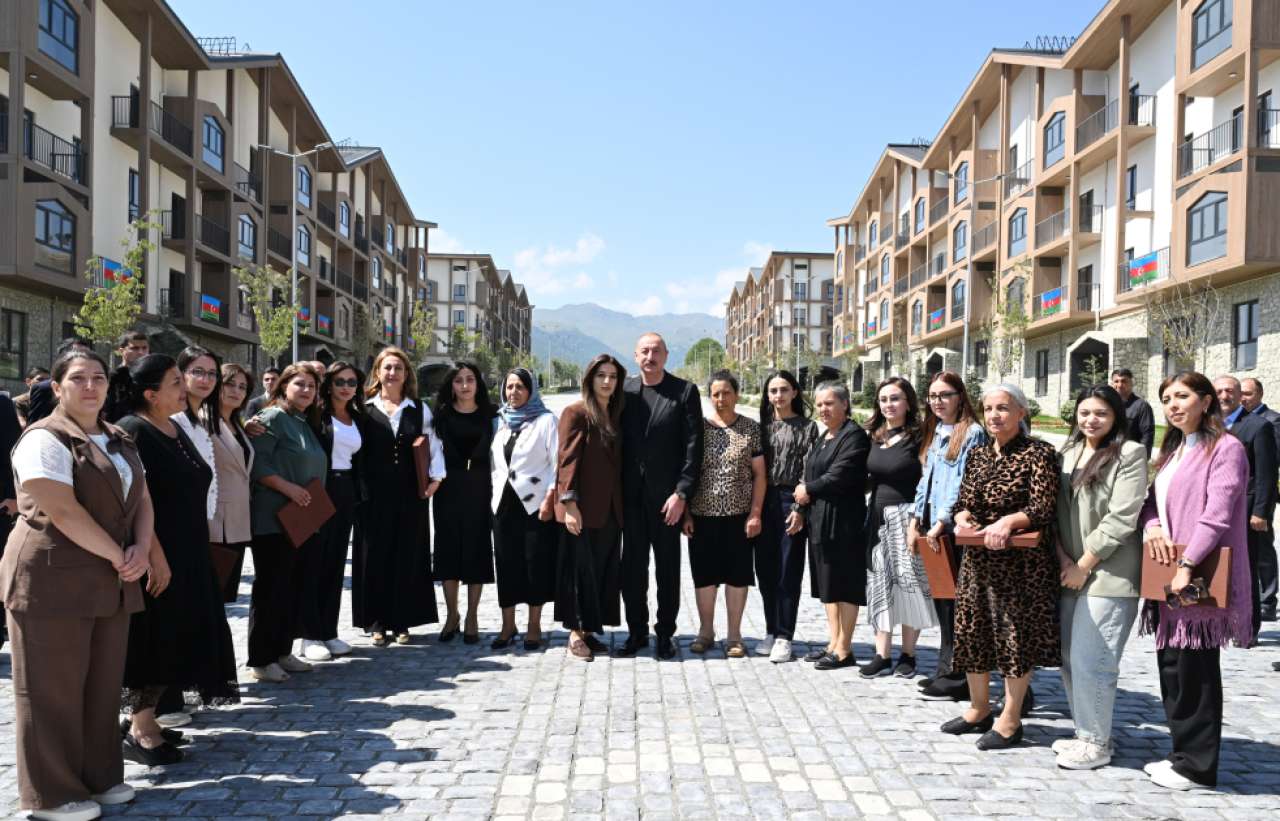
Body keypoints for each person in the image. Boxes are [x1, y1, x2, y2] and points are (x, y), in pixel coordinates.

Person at [1, 349, 149, 820]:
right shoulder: (43, 438)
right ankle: (53, 794)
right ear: (57, 387)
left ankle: (100, 776)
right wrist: (120, 555)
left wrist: (142, 548)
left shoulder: (117, 436)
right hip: (52, 578)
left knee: (102, 686)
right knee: (51, 690)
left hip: (110, 575)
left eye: (98, 378)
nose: (90, 386)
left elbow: (143, 498)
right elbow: (62, 510)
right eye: (78, 378)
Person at [116, 354, 239, 763]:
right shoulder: (134, 430)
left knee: (178, 636)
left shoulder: (174, 426)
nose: (183, 388)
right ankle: (140, 728)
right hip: (160, 554)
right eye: (174, 382)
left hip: (189, 552)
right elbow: (135, 501)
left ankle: (150, 718)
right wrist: (155, 555)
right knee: (153, 639)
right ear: (151, 394)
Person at [1140, 370, 1252, 790]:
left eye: (1182, 396)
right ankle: (1181, 754)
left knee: (1196, 670)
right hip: (1167, 571)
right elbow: (1152, 503)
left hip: (1197, 574)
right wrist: (1152, 527)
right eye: (1167, 398)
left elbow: (1217, 514)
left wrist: (1187, 564)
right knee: (1172, 666)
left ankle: (1198, 767)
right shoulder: (1174, 450)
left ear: (1206, 402)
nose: (1173, 405)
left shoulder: (1226, 448)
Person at [945, 382, 1060, 751]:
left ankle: (1010, 719)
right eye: (989, 408)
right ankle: (978, 709)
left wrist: (1008, 522)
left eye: (1003, 408)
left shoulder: (1039, 453)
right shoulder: (978, 454)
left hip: (1018, 562)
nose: (994, 415)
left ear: (1021, 412)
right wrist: (962, 516)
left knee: (1014, 637)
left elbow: (1042, 507)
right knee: (971, 630)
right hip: (978, 559)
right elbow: (963, 501)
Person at [1052, 385, 1148, 770]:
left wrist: (1084, 564)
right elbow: (1053, 513)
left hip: (1110, 571)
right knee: (1068, 657)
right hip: (1070, 569)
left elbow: (1122, 517)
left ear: (1116, 418)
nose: (1091, 420)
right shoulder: (1067, 452)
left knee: (1094, 659)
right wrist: (1065, 560)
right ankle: (1085, 731)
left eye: (1101, 413)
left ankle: (1096, 743)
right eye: (1085, 412)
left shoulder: (1130, 453)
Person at [618, 333, 703, 659]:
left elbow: (693, 448)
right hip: (630, 498)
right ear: (635, 355)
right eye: (644, 351)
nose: (650, 356)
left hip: (668, 501)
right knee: (632, 571)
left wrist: (682, 493)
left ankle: (665, 633)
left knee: (667, 571)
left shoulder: (684, 391)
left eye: (656, 351)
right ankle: (636, 632)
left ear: (666, 355)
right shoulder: (624, 391)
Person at [354, 347, 444, 646]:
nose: (392, 373)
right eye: (387, 367)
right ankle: (377, 622)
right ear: (378, 372)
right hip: (372, 495)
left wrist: (436, 479)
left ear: (407, 375)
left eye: (398, 368)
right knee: (375, 555)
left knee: (408, 555)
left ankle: (402, 620)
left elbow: (433, 445)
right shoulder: (363, 409)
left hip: (410, 493)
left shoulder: (419, 409)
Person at [245, 363, 328, 682]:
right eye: (299, 384)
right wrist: (288, 488)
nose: (306, 390)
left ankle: (282, 651)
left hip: (301, 520)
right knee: (272, 588)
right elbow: (257, 463)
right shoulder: (272, 417)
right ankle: (262, 659)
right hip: (274, 519)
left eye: (312, 386)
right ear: (283, 387)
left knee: (292, 588)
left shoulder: (302, 420)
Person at [908, 371, 986, 702]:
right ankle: (946, 669)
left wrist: (941, 522)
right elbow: (926, 480)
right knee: (943, 600)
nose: (937, 402)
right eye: (932, 396)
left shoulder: (972, 433)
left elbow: (963, 484)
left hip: (953, 530)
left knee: (958, 605)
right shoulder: (937, 430)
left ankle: (958, 676)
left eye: (945, 395)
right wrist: (916, 519)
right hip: (932, 527)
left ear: (960, 397)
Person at [786, 381, 869, 670]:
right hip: (820, 520)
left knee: (845, 585)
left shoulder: (854, 436)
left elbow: (840, 474)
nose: (823, 409)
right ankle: (833, 642)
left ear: (845, 404)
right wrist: (801, 507)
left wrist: (808, 489)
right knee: (828, 584)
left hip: (844, 522)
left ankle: (844, 649)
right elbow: (810, 471)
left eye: (829, 403)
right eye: (820, 404)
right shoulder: (826, 436)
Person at [680, 371, 764, 658]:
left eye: (726, 392)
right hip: (701, 516)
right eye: (715, 394)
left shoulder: (751, 429)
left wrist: (755, 513)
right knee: (704, 577)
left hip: (739, 517)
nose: (721, 399)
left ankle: (734, 636)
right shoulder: (698, 430)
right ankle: (705, 632)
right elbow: (687, 473)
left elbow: (760, 475)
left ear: (736, 395)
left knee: (737, 576)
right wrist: (686, 513)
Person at [861, 377, 936, 678]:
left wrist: (918, 521)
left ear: (908, 402)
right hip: (877, 517)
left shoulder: (921, 436)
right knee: (879, 583)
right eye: (883, 399)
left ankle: (908, 655)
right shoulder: (875, 435)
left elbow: (928, 480)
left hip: (907, 518)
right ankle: (881, 654)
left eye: (895, 398)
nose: (888, 404)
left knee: (909, 585)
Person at [555, 354, 627, 661]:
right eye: (601, 375)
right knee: (579, 571)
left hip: (611, 509)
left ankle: (588, 630)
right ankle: (574, 633)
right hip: (582, 508)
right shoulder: (576, 413)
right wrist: (570, 504)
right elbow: (567, 460)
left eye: (613, 376)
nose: (607, 381)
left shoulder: (616, 414)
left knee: (602, 571)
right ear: (590, 379)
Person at [298, 362, 365, 662]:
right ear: (329, 384)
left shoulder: (357, 417)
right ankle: (309, 635)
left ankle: (328, 630)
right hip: (319, 489)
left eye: (352, 382)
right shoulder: (315, 414)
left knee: (336, 563)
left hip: (346, 490)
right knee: (315, 561)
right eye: (340, 381)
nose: (346, 387)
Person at [489, 368, 559, 650]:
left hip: (534, 505)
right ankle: (507, 625)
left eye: (520, 387)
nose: (513, 392)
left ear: (531, 390)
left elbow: (557, 464)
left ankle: (533, 626)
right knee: (505, 564)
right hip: (502, 505)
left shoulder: (546, 421)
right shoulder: (500, 421)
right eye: (509, 387)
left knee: (534, 565)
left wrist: (550, 499)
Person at [755, 370, 819, 663]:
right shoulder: (762, 427)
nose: (778, 395)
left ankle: (784, 635)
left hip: (790, 499)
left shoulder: (808, 427)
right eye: (773, 391)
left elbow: (809, 470)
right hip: (762, 499)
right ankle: (770, 629)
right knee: (765, 569)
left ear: (794, 392)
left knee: (788, 569)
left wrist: (800, 509)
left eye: (783, 389)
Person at [432, 361, 497, 644]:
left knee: (476, 550)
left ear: (478, 383)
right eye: (458, 380)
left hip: (481, 488)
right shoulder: (440, 415)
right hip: (448, 489)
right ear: (451, 385)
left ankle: (472, 616)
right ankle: (452, 615)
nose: (465, 385)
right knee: (448, 551)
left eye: (470, 379)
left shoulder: (492, 414)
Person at [1214, 374, 1277, 640]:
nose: (1224, 396)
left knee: (1245, 568)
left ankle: (1247, 629)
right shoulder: (1208, 425)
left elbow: (1266, 474)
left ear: (1240, 395)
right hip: (1216, 510)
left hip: (1246, 510)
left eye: (1230, 391)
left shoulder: (1258, 426)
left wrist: (1261, 511)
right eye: (1219, 391)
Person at [208, 363, 255, 604]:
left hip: (238, 521)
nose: (236, 391)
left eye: (242, 387)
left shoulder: (238, 424)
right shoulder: (203, 422)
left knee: (224, 597)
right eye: (230, 384)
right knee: (210, 596)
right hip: (215, 522)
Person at [1240, 376, 1280, 622]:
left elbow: (1272, 462)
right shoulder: (1237, 420)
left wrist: (1262, 507)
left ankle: (1267, 601)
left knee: (1263, 548)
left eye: (1248, 393)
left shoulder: (1272, 420)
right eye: (1241, 393)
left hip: (1260, 496)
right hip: (1241, 495)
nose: (1243, 398)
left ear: (1260, 395)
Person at [173, 347, 222, 522]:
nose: (205, 380)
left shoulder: (202, 421)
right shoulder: (173, 420)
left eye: (212, 374)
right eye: (198, 372)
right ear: (181, 373)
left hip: (200, 518)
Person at [27, 339, 92, 425]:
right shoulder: (44, 389)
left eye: (88, 355)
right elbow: (35, 424)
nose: (84, 359)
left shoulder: (96, 388)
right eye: (79, 354)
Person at [104, 330, 150, 423]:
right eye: (135, 348)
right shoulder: (113, 377)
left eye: (144, 348)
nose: (141, 352)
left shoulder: (154, 376)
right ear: (122, 351)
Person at [1110, 368, 1155, 458]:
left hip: (1130, 456)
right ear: (1112, 384)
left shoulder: (1142, 406)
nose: (1119, 385)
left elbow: (1147, 436)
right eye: (1116, 381)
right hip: (1109, 455)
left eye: (1124, 381)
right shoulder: (1108, 405)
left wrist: (1143, 458)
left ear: (1131, 383)